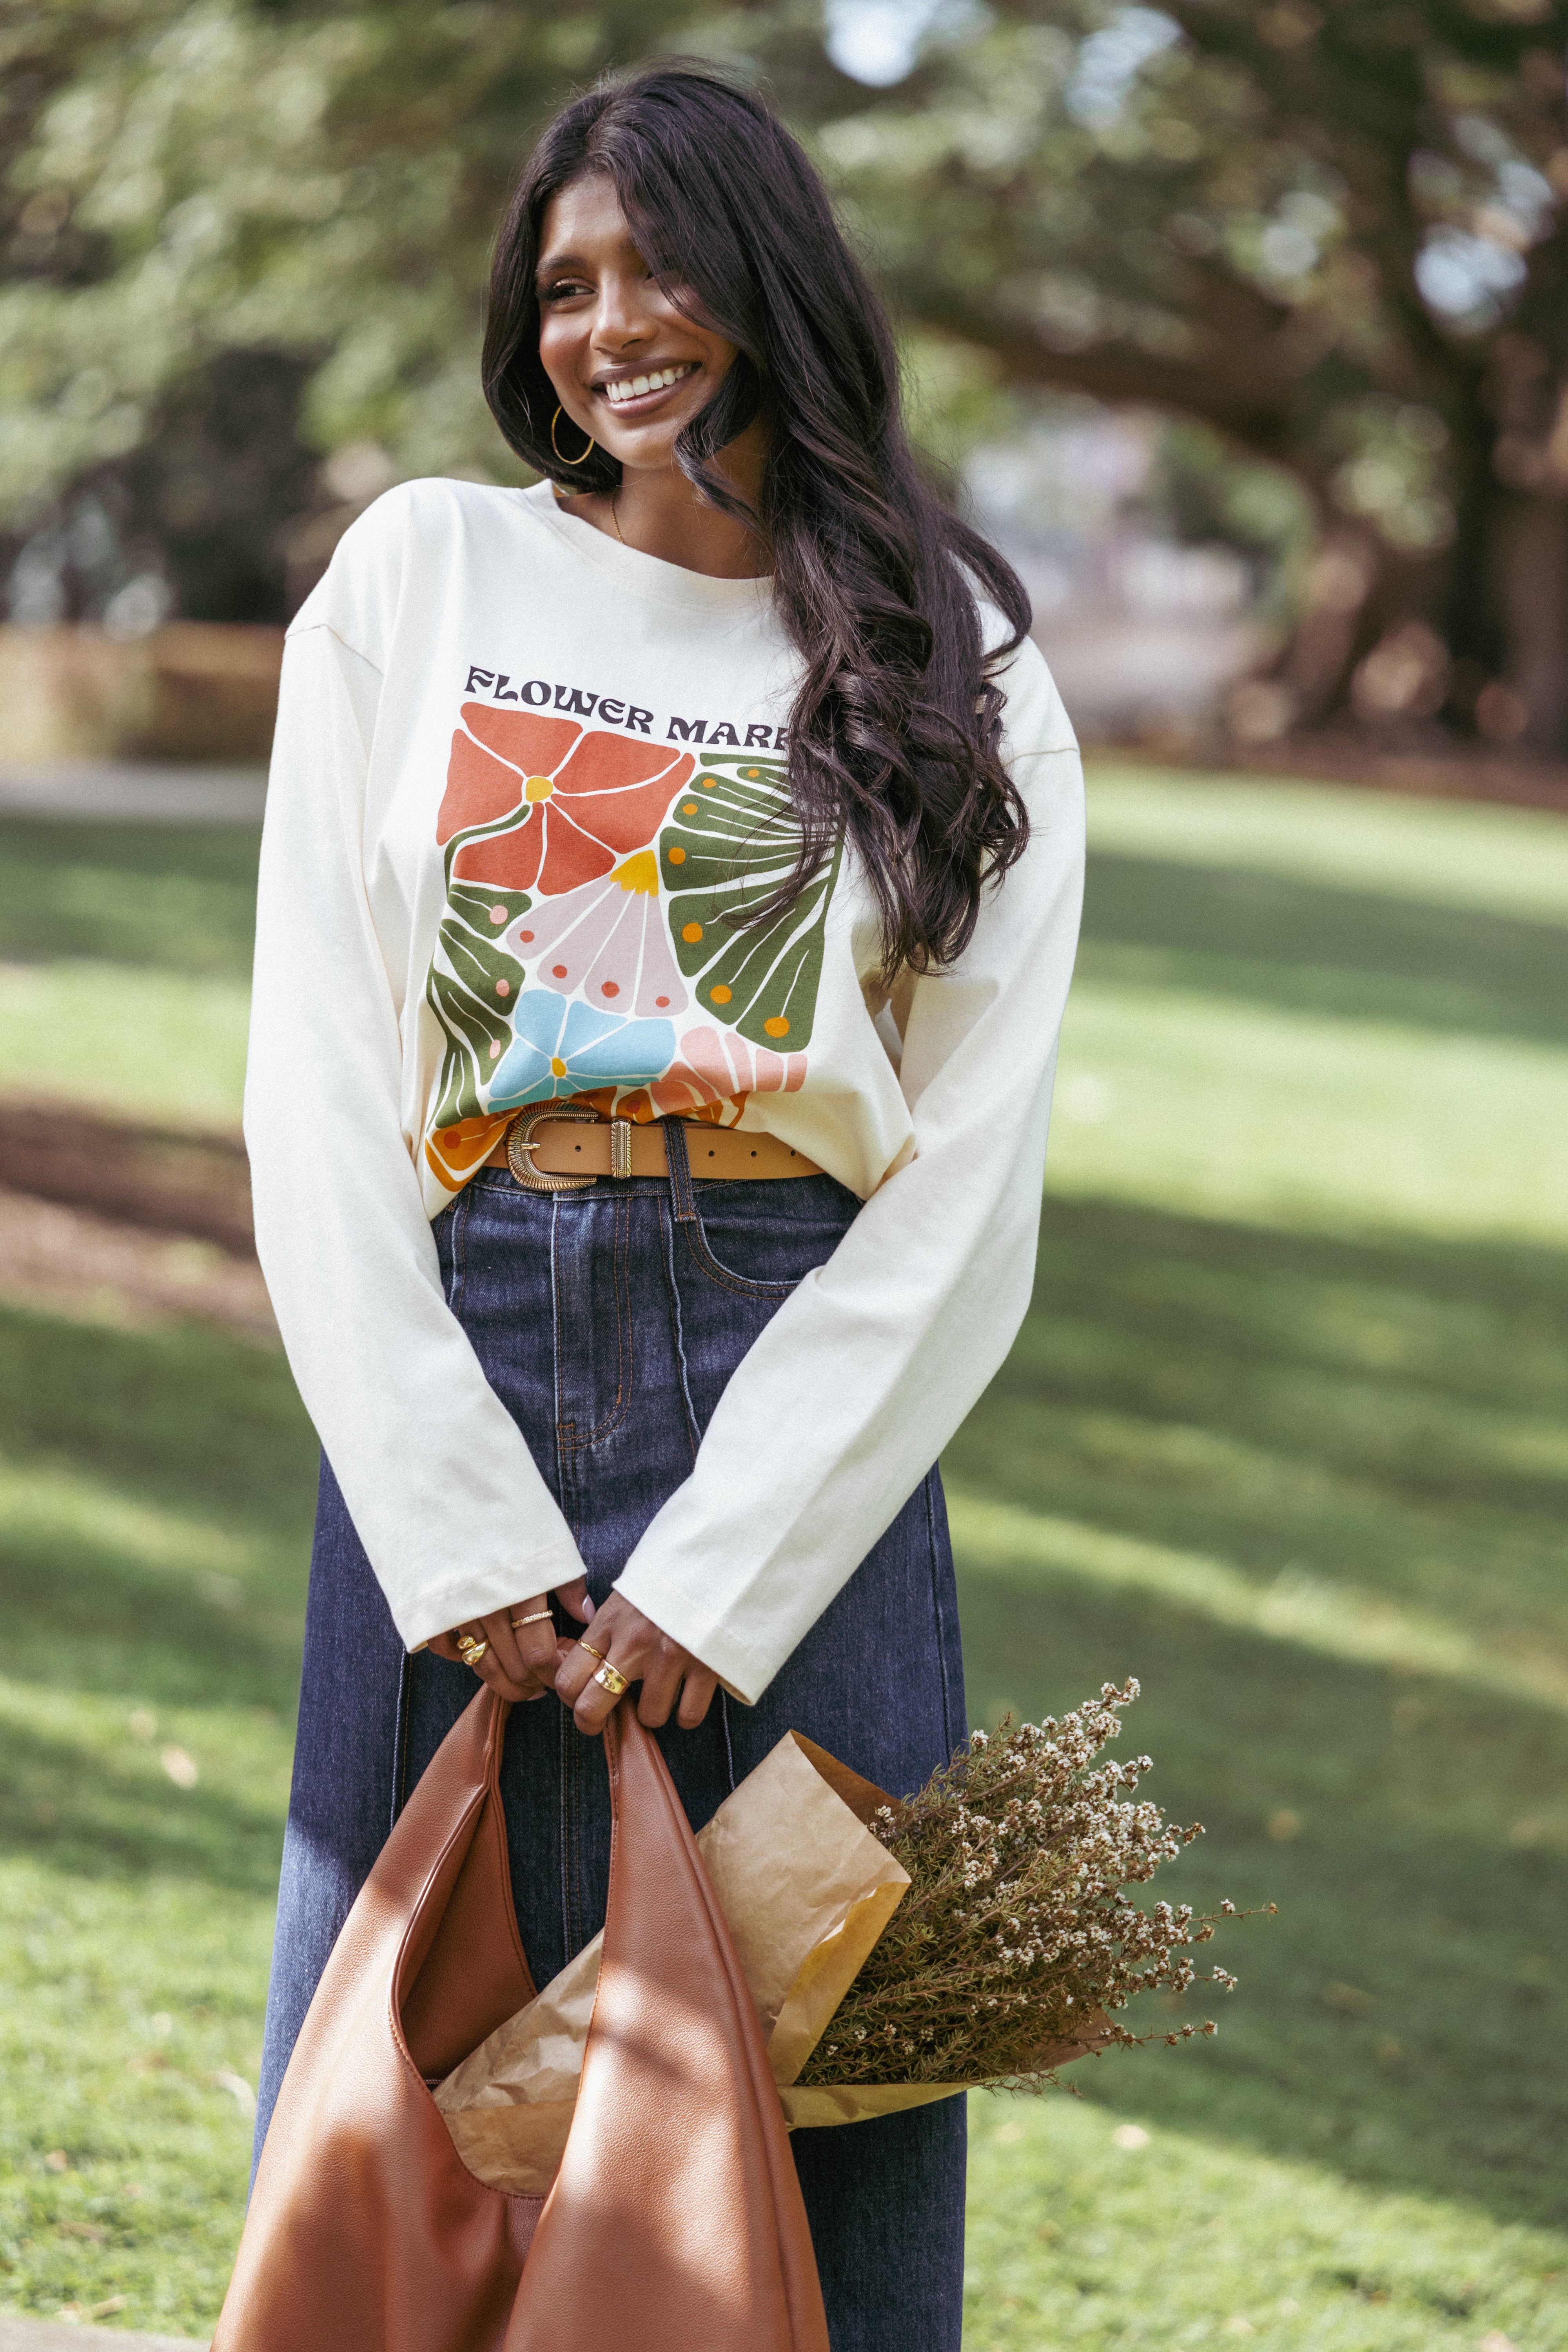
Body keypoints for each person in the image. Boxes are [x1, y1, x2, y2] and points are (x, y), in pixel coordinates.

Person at [244, 61, 1083, 2352]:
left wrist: (725, 1571)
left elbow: (966, 1178)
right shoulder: (424, 571)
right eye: (566, 285)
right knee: (411, 2086)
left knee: (830, 2082)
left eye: (659, 265)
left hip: (802, 1380)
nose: (611, 324)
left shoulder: (957, 661)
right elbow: (315, 1078)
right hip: (469, 1332)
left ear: (773, 280)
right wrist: (449, 1513)